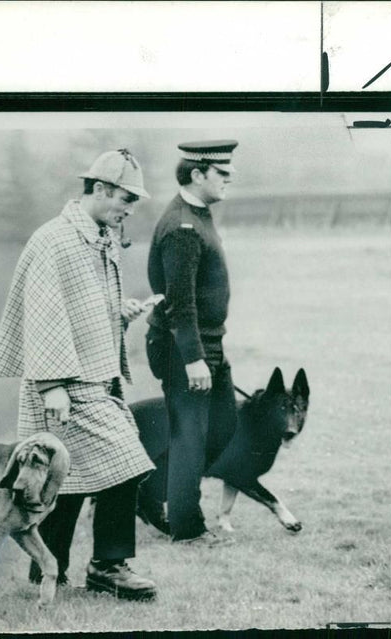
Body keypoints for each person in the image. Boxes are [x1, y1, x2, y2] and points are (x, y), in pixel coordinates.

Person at [0, 148, 157, 601]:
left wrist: (118, 314)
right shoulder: (55, 239)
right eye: (126, 197)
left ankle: (49, 568)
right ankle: (107, 566)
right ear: (99, 189)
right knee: (121, 464)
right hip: (62, 385)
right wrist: (51, 386)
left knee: (72, 477)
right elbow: (42, 313)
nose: (129, 208)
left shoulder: (99, 236)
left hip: (93, 379)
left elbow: (77, 309)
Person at [144, 140, 241, 545]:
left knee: (222, 426)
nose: (229, 179)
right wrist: (194, 359)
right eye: (222, 173)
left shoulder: (199, 215)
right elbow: (180, 303)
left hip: (206, 343)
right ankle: (187, 528)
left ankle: (151, 493)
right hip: (185, 347)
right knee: (190, 436)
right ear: (197, 174)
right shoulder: (182, 226)